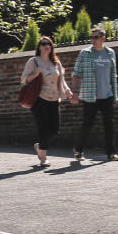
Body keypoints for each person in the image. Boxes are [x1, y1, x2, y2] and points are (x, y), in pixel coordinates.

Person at [20, 36, 73, 167]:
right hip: (39, 99)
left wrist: (67, 90)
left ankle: (40, 146)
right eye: (43, 44)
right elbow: (23, 79)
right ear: (39, 47)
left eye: (48, 44)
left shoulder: (56, 62)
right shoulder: (33, 61)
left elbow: (61, 80)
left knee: (55, 130)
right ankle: (43, 158)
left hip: (54, 99)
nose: (46, 46)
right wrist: (36, 74)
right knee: (43, 128)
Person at [72, 28, 118, 161]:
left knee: (109, 125)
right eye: (92, 37)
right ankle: (79, 150)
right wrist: (75, 92)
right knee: (87, 124)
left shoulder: (110, 53)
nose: (93, 40)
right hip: (90, 95)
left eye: (96, 37)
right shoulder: (85, 53)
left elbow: (114, 75)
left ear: (103, 38)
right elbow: (76, 73)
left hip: (107, 94)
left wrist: (115, 95)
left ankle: (111, 153)